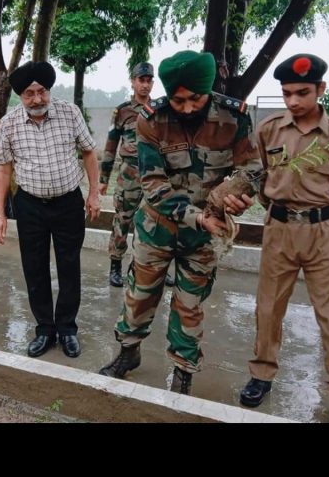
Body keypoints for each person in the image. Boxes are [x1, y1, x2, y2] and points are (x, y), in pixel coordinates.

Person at [99, 50, 259, 394]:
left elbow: (252, 168)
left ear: (208, 89)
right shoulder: (151, 120)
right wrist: (197, 217)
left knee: (189, 306)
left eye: (195, 99)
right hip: (157, 228)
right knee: (139, 296)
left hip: (203, 239)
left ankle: (183, 372)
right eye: (178, 100)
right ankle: (128, 352)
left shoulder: (234, 118)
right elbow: (153, 184)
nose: (186, 108)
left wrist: (240, 195)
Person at [239, 53, 329, 424]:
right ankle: (261, 375)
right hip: (279, 231)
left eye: (302, 92)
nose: (293, 101)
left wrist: (324, 221)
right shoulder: (269, 129)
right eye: (287, 93)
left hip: (324, 233)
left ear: (320, 89)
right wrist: (278, 210)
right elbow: (261, 178)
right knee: (268, 309)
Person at [0, 60, 101, 359]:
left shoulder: (69, 113)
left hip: (68, 203)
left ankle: (66, 329)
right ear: (20, 95)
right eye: (29, 94)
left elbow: (89, 152)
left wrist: (94, 193)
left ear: (49, 90)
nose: (37, 99)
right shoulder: (9, 123)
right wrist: (1, 213)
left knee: (69, 266)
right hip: (29, 205)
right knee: (34, 268)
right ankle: (44, 329)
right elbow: (3, 168)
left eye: (42, 91)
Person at [99, 61, 173, 289]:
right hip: (129, 174)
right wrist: (104, 179)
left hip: (156, 175)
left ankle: (148, 268)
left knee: (155, 222)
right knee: (123, 220)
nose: (145, 85)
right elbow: (111, 145)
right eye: (141, 80)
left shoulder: (161, 109)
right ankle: (115, 266)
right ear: (133, 82)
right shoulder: (122, 111)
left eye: (149, 80)